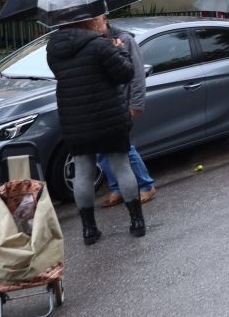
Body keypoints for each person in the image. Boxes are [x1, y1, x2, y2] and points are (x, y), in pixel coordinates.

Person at [46, 14, 147, 244]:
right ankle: (137, 222)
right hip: (109, 117)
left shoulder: (53, 49)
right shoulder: (100, 45)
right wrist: (120, 50)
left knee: (83, 171)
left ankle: (89, 230)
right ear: (87, 22)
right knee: (121, 166)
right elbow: (124, 73)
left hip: (75, 119)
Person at [98, 19, 156, 207]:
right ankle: (117, 188)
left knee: (123, 148)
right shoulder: (93, 41)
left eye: (96, 18)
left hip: (121, 103)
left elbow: (138, 74)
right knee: (101, 150)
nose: (93, 23)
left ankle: (146, 185)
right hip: (102, 104)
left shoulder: (124, 39)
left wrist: (136, 103)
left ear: (104, 18)